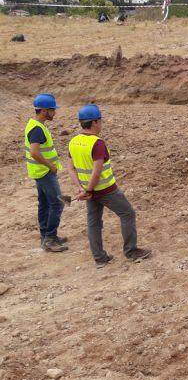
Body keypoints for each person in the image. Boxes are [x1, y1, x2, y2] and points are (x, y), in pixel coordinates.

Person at [66, 104, 151, 268]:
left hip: (88, 192)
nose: (101, 124)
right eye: (100, 121)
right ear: (95, 122)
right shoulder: (97, 144)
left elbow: (70, 168)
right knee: (127, 214)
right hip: (106, 190)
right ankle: (131, 251)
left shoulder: (74, 141)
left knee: (94, 223)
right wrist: (89, 190)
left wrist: (81, 189)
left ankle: (99, 258)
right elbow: (97, 172)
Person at [24, 93, 68, 252]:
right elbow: (35, 152)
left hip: (39, 172)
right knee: (57, 203)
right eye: (52, 110)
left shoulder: (35, 125)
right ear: (44, 111)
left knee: (44, 204)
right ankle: (50, 238)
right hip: (44, 172)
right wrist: (51, 166)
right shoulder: (37, 129)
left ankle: (46, 236)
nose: (54, 113)